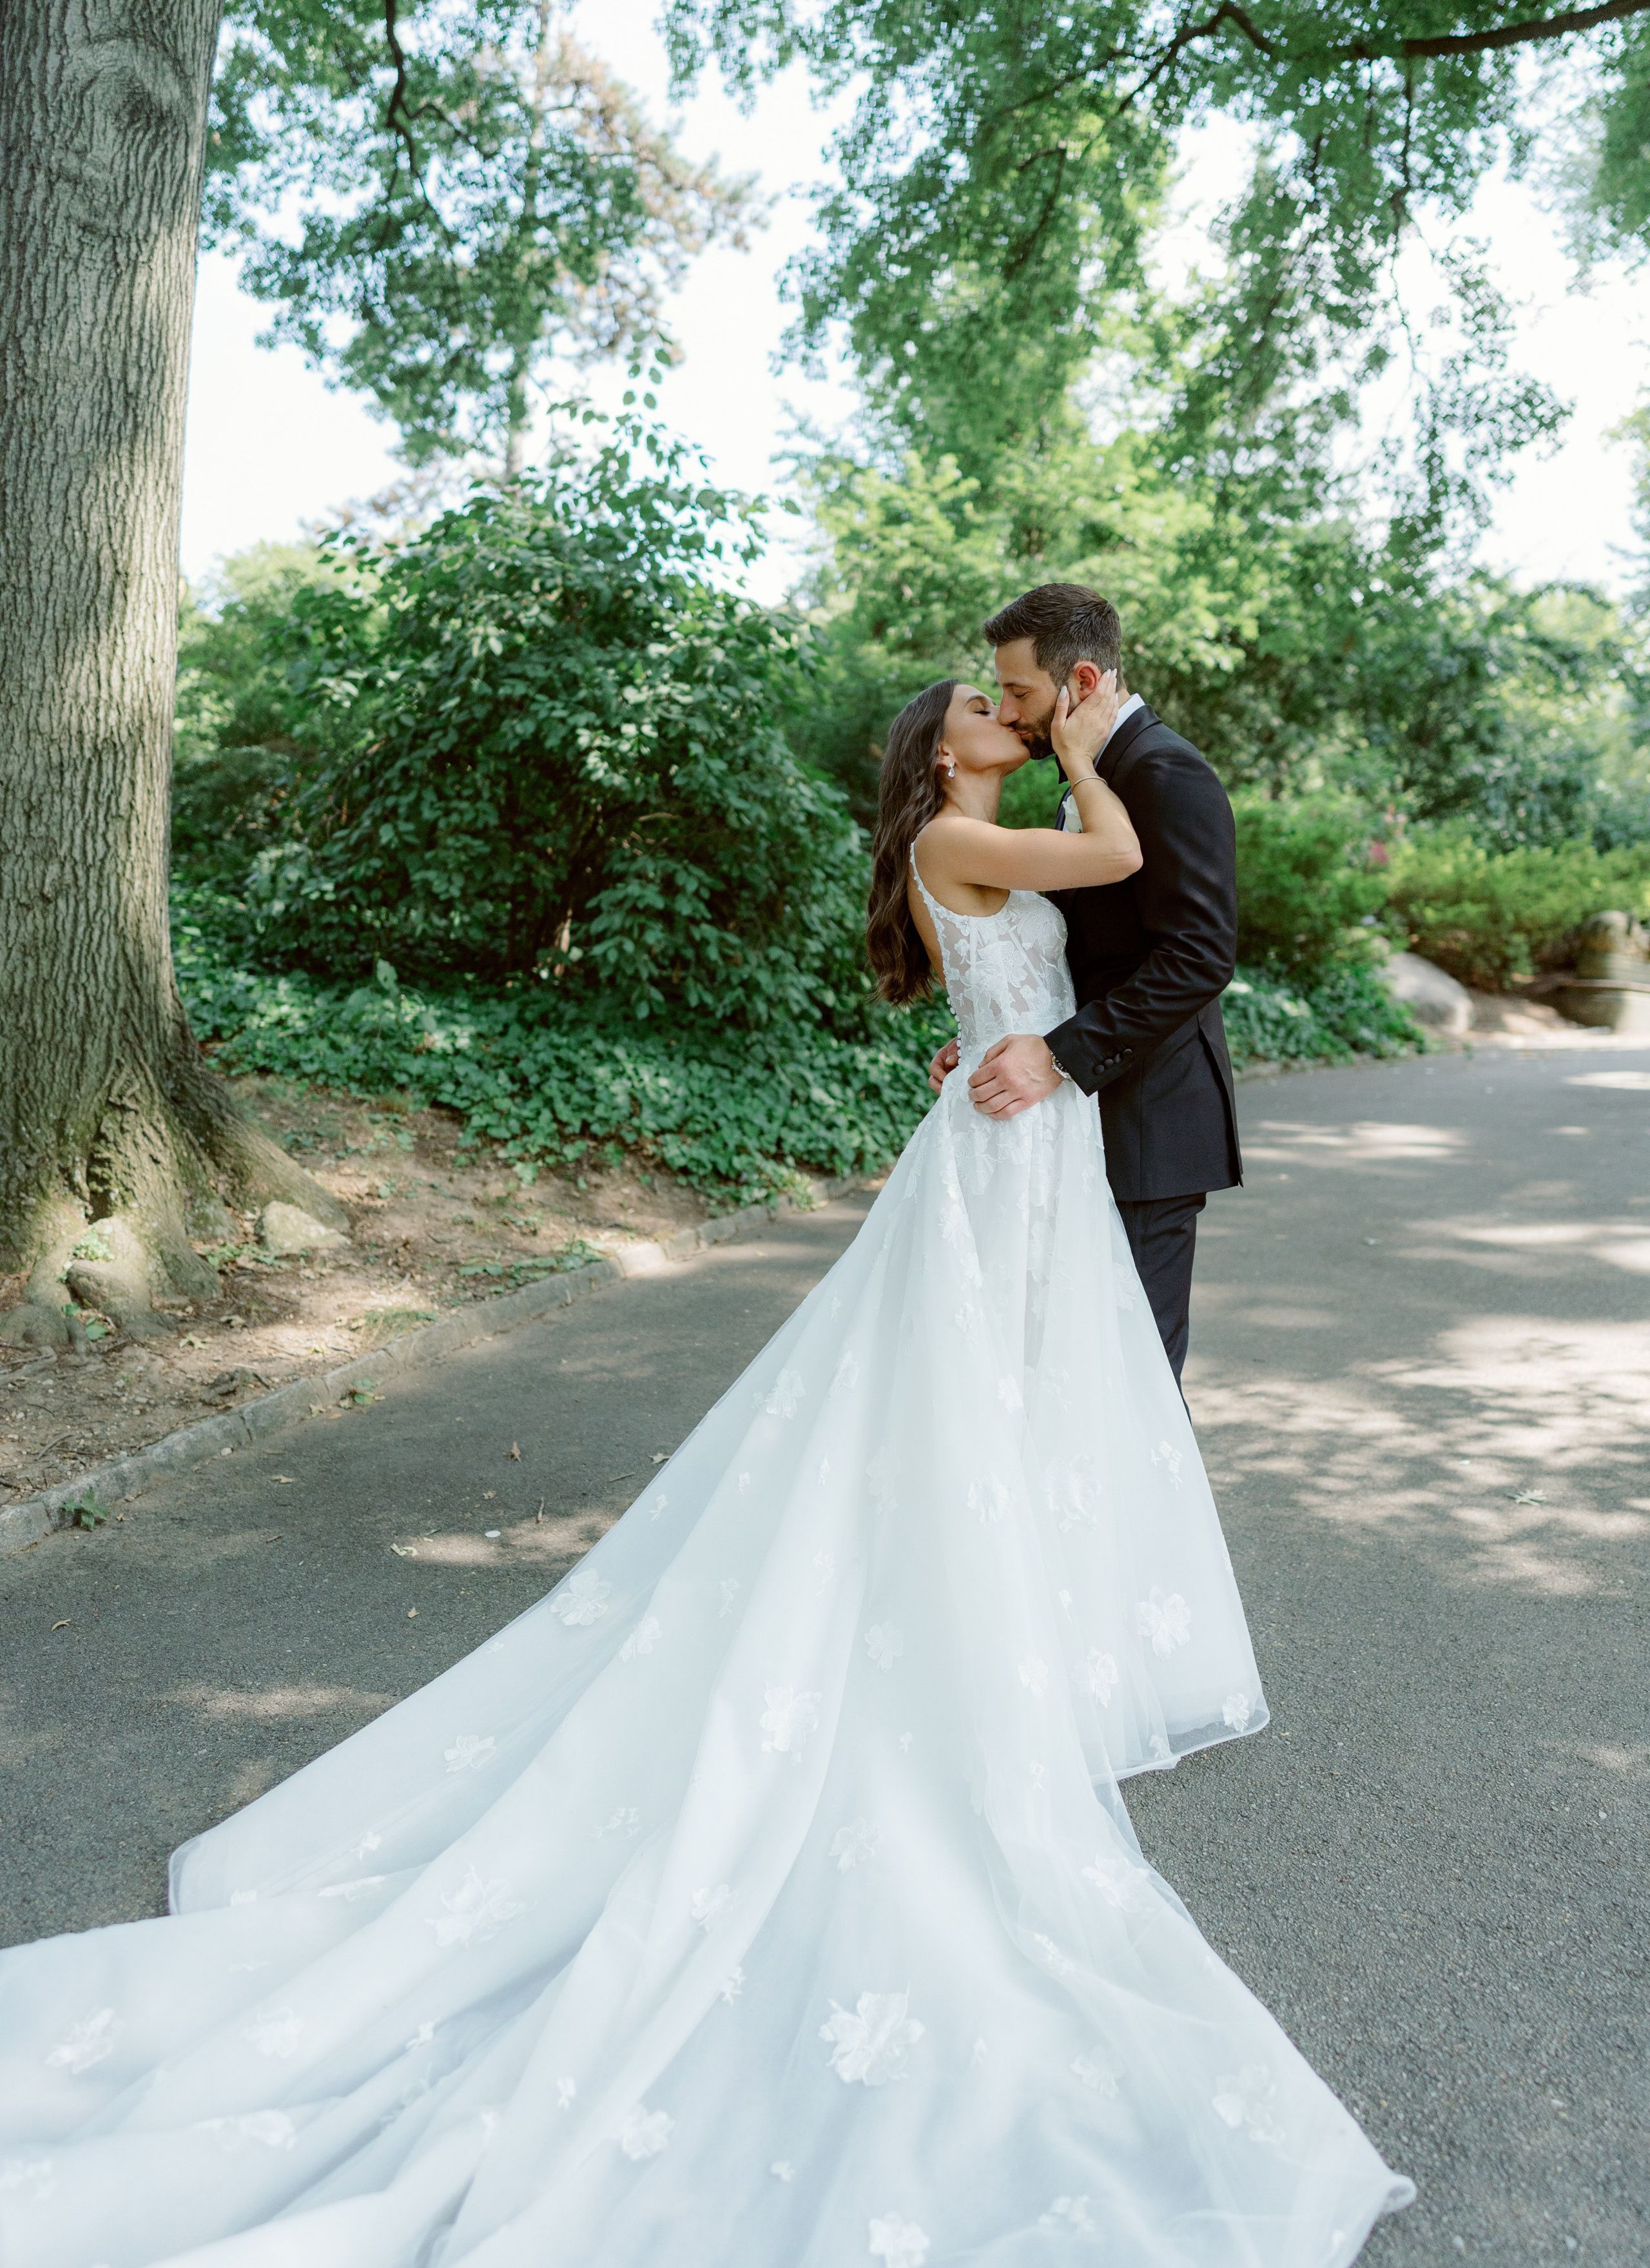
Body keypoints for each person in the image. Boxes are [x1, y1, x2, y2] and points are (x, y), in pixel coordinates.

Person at [0, 675, 1412, 2268]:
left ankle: (1004, 1625)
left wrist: (1023, 1001)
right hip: (1004, 1160)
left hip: (1020, 1150)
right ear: (948, 754)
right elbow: (1110, 854)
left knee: (998, 1413)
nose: (1012, 712)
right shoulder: (969, 828)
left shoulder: (971, 830)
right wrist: (1091, 754)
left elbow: (1079, 933)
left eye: (1015, 699)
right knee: (958, 1411)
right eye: (988, 706)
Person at [929, 583, 1242, 1385]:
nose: (1005, 712)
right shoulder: (1088, 779)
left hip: (1149, 1125)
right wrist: (993, 1038)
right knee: (1064, 1372)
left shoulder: (1166, 772)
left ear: (1084, 684)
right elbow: (1079, 953)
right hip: (1070, 1125)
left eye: (1018, 691)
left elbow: (1199, 957)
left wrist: (1058, 1056)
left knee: (1128, 1383)